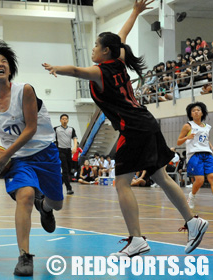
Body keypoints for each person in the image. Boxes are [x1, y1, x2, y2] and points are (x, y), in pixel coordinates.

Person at [42, 0, 208, 257]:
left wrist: (56, 69)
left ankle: (137, 239)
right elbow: (123, 35)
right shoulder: (118, 61)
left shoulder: (100, 71)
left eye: (96, 46)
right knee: (160, 176)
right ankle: (193, 221)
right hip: (146, 122)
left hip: (133, 128)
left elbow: (75, 70)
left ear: (106, 51)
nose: (94, 49)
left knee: (121, 184)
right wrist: (135, 11)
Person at [0, 38, 63, 276]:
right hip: (18, 159)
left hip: (44, 152)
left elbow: (31, 128)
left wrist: (5, 155)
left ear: (9, 68)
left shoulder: (25, 90)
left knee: (57, 203)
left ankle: (45, 207)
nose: (0, 64)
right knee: (24, 195)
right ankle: (24, 256)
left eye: (4, 60)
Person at [177, 102, 213, 210]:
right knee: (200, 180)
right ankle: (192, 196)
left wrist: (210, 145)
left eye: (198, 110)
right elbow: (179, 142)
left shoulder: (207, 127)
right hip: (194, 155)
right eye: (193, 111)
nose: (196, 112)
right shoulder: (188, 126)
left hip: (207, 154)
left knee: (212, 177)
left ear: (202, 113)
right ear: (191, 114)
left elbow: (204, 139)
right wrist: (187, 138)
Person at [54, 114, 78, 195]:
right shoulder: (56, 129)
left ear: (68, 120)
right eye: (63, 119)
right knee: (64, 169)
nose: (64, 120)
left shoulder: (71, 129)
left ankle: (58, 184)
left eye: (66, 119)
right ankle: (68, 188)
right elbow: (51, 138)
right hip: (60, 151)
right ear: (60, 120)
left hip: (69, 151)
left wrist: (75, 147)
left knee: (68, 170)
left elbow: (75, 138)